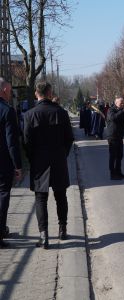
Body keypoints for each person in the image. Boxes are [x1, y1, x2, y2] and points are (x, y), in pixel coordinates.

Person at [24, 82, 74, 249]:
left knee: (40, 198)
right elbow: (69, 138)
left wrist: (33, 159)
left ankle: (43, 235)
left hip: (39, 162)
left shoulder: (30, 114)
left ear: (37, 94)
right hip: (58, 160)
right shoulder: (61, 112)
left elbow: (26, 142)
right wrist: (62, 154)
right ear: (50, 92)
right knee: (61, 196)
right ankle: (63, 229)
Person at [0, 78, 22, 248]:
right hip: (3, 162)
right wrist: (18, 166)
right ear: (5, 91)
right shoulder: (7, 111)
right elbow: (12, 142)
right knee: (2, 196)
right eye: (9, 90)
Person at [106, 96, 124, 180]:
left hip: (119, 136)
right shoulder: (111, 110)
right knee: (113, 155)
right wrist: (123, 111)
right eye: (121, 103)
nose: (123, 104)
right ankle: (112, 174)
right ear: (116, 103)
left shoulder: (122, 111)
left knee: (120, 155)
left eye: (123, 103)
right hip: (112, 136)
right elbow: (113, 118)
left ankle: (119, 172)